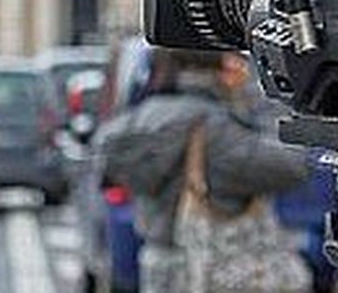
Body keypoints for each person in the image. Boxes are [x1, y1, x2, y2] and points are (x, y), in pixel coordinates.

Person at [97, 48, 313, 293]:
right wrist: (262, 96)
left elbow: (105, 158)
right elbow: (292, 165)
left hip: (159, 268)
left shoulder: (142, 118)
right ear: (224, 63)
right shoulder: (214, 128)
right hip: (214, 271)